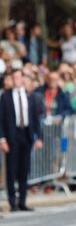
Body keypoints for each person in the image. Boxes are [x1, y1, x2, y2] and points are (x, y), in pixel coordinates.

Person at [0, 69, 44, 211]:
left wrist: (39, 137)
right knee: (12, 170)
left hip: (26, 135)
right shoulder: (5, 97)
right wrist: (2, 139)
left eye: (20, 77)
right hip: (12, 136)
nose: (18, 80)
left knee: (24, 170)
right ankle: (13, 202)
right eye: (15, 78)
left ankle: (23, 201)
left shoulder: (30, 96)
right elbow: (1, 120)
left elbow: (35, 119)